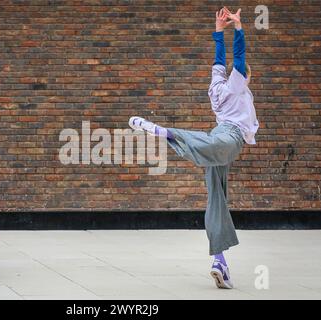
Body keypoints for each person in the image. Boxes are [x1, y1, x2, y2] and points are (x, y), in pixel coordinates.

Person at [128, 7, 259, 289]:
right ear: (244, 76)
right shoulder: (238, 84)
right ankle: (168, 133)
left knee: (217, 198)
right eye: (247, 75)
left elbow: (218, 58)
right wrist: (238, 28)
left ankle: (219, 261)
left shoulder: (216, 84)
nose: (247, 78)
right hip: (228, 139)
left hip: (218, 141)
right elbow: (238, 57)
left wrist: (217, 30)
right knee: (211, 143)